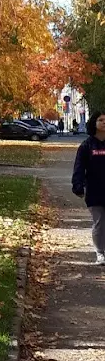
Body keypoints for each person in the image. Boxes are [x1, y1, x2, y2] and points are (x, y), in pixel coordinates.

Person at [72, 110, 105, 265]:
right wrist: (77, 186)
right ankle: (100, 253)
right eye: (101, 120)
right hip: (94, 190)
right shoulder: (87, 145)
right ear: (94, 123)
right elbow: (79, 167)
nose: (104, 122)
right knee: (99, 222)